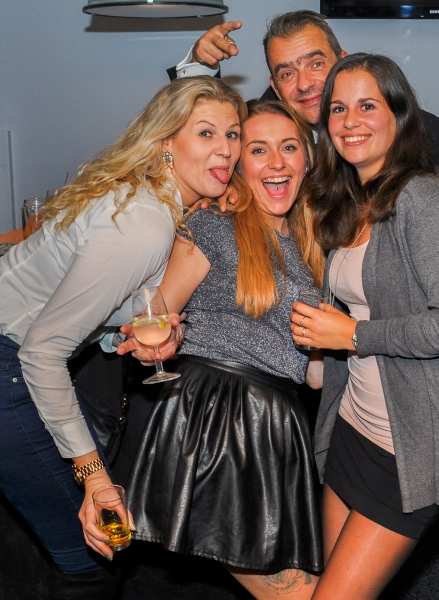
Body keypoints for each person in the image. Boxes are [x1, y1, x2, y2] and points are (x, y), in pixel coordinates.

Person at [172, 11, 439, 588]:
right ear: (274, 86)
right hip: (353, 393)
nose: (304, 81)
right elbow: (205, 138)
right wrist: (221, 188)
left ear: (341, 60)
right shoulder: (305, 150)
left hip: (433, 369)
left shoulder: (426, 149)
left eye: (315, 63)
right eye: (286, 72)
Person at [0, 76, 246, 600]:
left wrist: (135, 336)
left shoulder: (151, 199)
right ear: (166, 142)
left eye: (232, 134)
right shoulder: (144, 222)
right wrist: (93, 474)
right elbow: (43, 350)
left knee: (91, 544)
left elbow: (89, 315)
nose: (226, 149)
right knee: (91, 548)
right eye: (206, 133)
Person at [289, 53, 439, 599]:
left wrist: (353, 337)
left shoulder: (424, 199)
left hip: (409, 443)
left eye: (367, 106)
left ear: (398, 115)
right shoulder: (354, 201)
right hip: (354, 425)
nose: (350, 121)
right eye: (338, 109)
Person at [120, 100, 326, 600]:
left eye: (289, 147)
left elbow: (315, 372)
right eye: (258, 150)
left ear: (308, 160)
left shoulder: (316, 246)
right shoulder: (214, 226)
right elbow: (155, 313)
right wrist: (157, 342)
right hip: (219, 415)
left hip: (277, 420)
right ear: (238, 165)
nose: (276, 162)